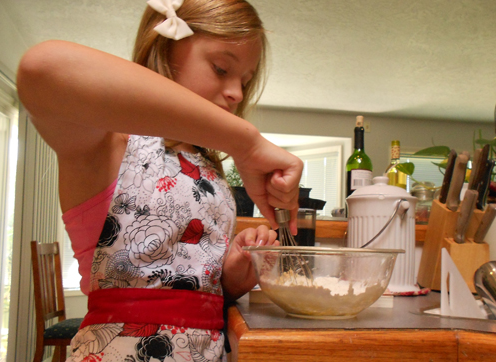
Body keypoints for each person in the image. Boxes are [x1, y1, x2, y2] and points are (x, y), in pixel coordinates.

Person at [16, 0, 303, 360]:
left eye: (245, 81)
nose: (237, 93)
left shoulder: (208, 169)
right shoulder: (111, 145)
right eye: (220, 68)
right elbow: (43, 68)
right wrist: (245, 142)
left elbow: (192, 280)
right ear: (165, 50)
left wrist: (232, 272)